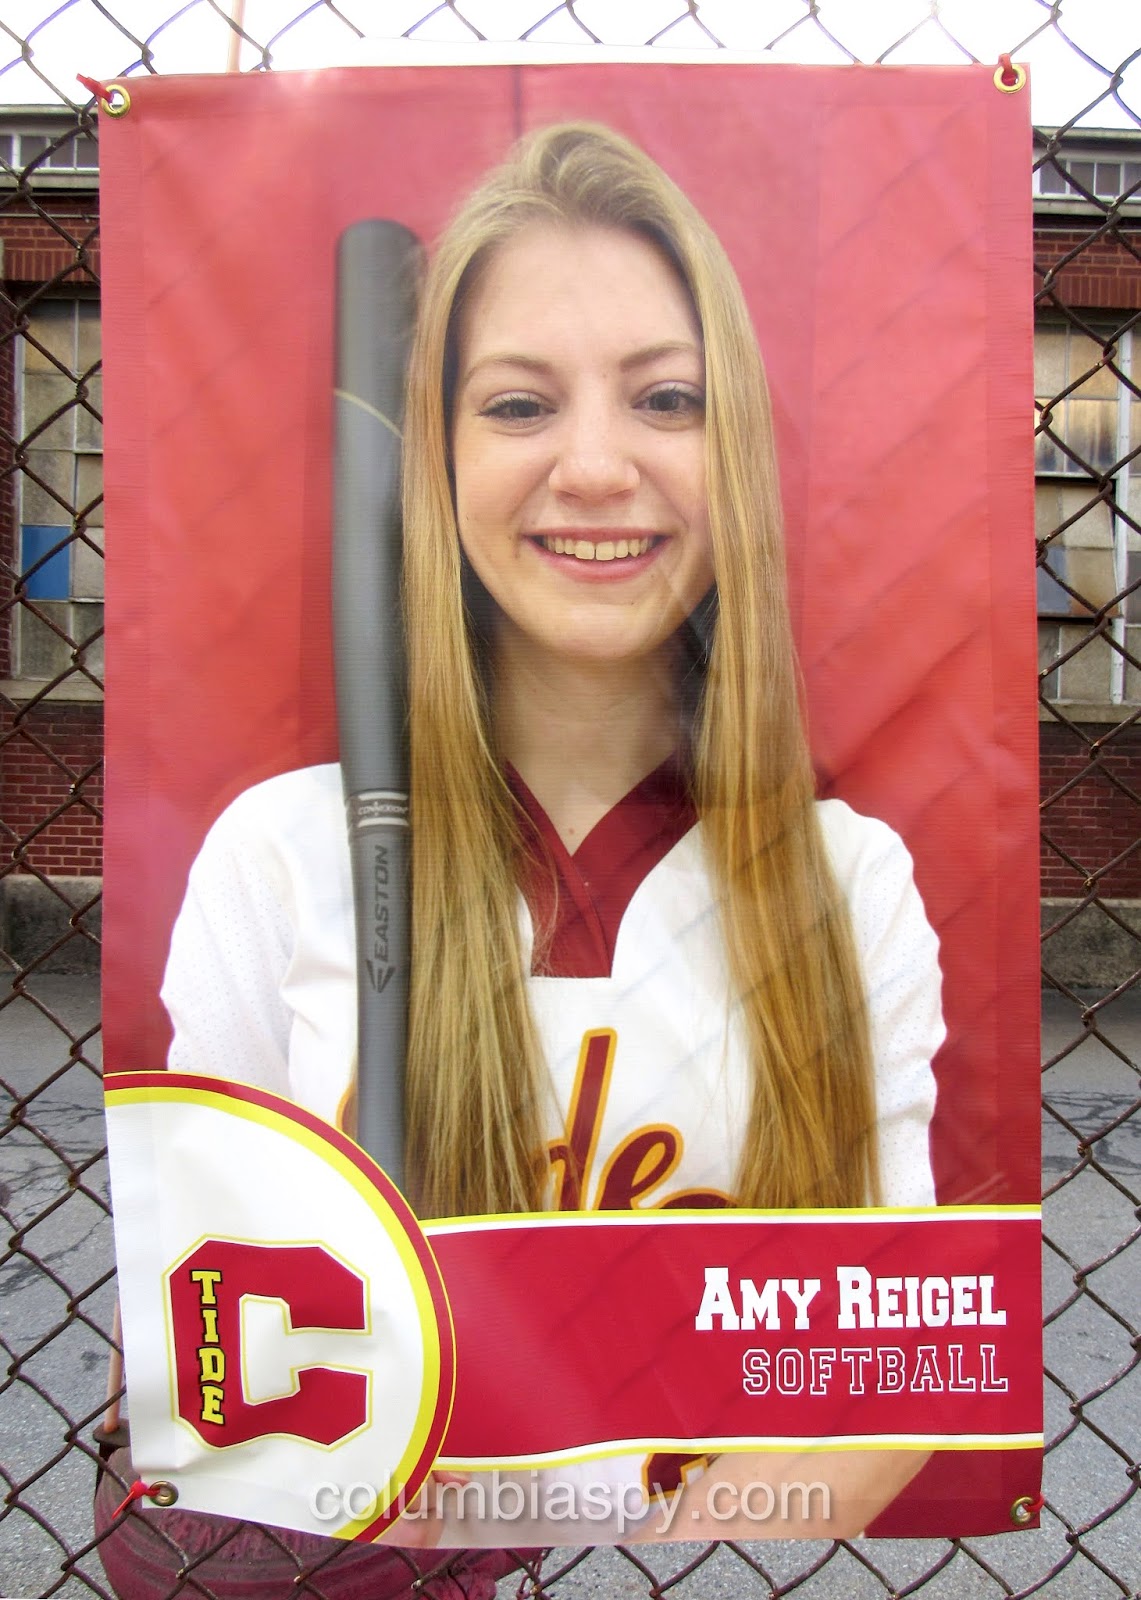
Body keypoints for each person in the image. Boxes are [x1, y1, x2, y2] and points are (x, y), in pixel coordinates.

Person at [98, 122, 945, 1586]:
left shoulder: (845, 884)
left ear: (738, 451)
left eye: (666, 398)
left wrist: (607, 1554)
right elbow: (203, 1363)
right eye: (517, 404)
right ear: (433, 462)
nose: (597, 466)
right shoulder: (281, 854)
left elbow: (890, 1375)